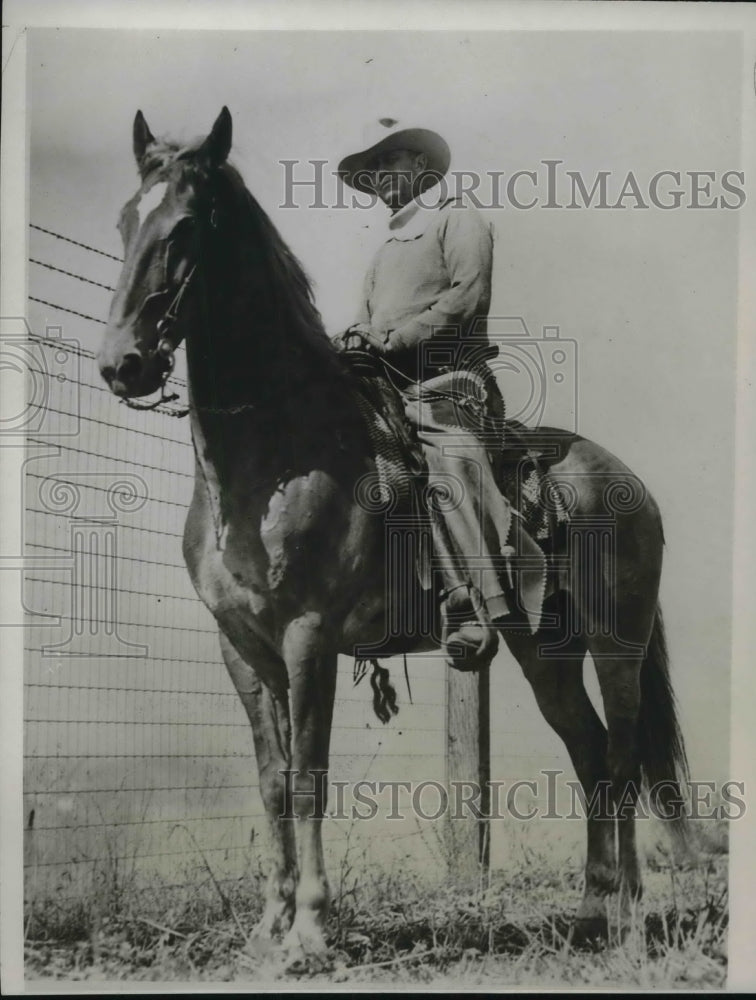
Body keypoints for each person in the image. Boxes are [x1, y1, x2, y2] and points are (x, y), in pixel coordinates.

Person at [336, 118, 545, 670]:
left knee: (447, 456)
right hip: (385, 385)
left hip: (447, 383)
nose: (378, 176)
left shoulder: (459, 217)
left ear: (421, 167)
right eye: (371, 170)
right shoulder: (383, 252)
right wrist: (351, 342)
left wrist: (392, 338)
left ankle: (471, 603)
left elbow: (466, 298)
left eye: (388, 162)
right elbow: (365, 320)